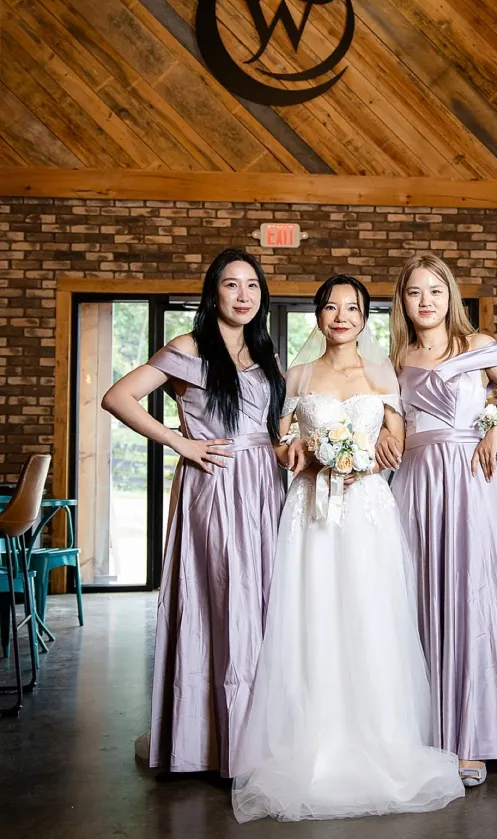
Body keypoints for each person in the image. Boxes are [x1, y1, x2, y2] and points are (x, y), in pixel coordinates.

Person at [232, 274, 464, 822]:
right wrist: (300, 450)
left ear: (364, 317)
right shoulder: (296, 374)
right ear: (318, 315)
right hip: (310, 510)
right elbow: (278, 439)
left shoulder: (383, 372)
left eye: (353, 308)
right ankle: (312, 737)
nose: (342, 317)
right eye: (332, 308)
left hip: (366, 511)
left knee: (369, 614)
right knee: (311, 615)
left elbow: (398, 441)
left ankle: (378, 736)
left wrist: (372, 450)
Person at [101, 249, 285, 777]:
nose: (243, 295)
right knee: (220, 602)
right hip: (216, 484)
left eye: (252, 285)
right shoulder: (188, 348)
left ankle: (258, 737)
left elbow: (272, 428)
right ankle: (212, 743)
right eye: (231, 284)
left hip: (266, 486)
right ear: (214, 292)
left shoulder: (265, 351)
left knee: (264, 604)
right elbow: (118, 397)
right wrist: (178, 441)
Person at [377, 253, 497, 787]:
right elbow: (394, 424)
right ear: (403, 302)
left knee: (473, 597)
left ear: (450, 296)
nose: (425, 301)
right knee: (418, 598)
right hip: (415, 484)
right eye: (414, 292)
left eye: (435, 290)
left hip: (471, 479)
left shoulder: (477, 346)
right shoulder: (395, 357)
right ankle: (426, 735)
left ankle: (473, 737)